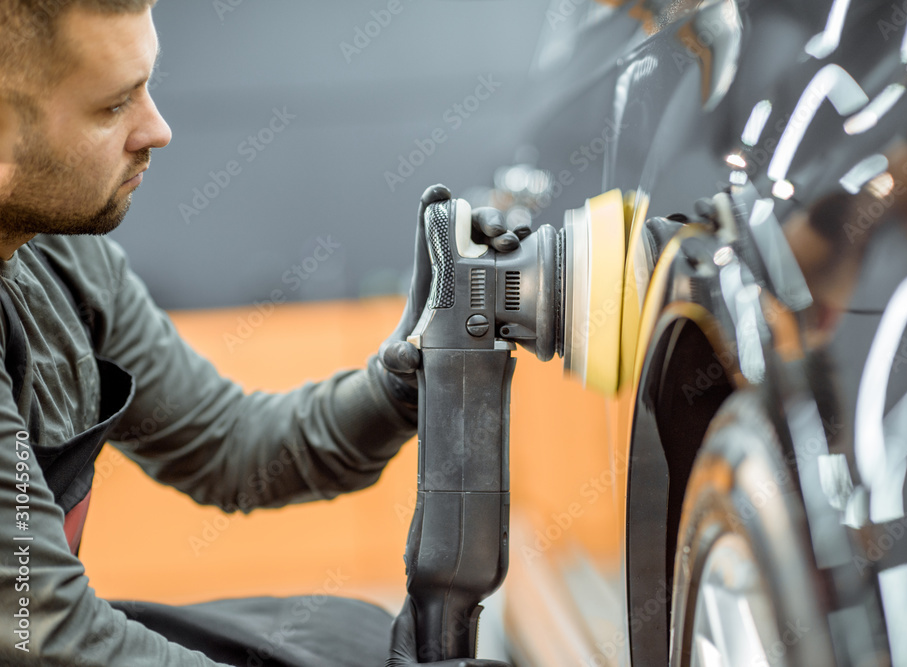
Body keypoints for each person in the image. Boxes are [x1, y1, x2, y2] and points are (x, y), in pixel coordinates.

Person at [0, 1, 521, 665]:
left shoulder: (61, 257)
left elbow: (236, 448)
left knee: (342, 638)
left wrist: (411, 375)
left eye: (147, 88)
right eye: (112, 107)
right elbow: (49, 641)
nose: (157, 129)